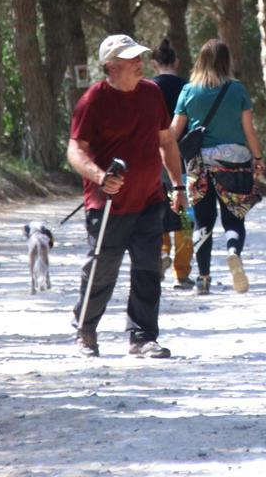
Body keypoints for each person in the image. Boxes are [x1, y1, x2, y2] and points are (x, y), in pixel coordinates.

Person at [66, 33, 187, 358]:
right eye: (130, 58)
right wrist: (99, 177)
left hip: (149, 200)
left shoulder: (151, 94)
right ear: (110, 66)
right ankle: (86, 332)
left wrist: (178, 186)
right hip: (107, 205)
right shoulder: (93, 101)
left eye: (139, 56)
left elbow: (167, 142)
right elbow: (75, 151)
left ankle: (142, 337)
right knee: (103, 269)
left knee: (148, 269)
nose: (139, 62)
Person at [169, 39, 265, 295]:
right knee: (234, 217)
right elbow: (249, 130)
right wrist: (258, 158)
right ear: (227, 61)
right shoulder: (237, 90)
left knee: (203, 222)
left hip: (199, 164)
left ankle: (202, 278)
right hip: (234, 161)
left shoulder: (189, 91)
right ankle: (233, 252)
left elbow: (174, 132)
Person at [151, 40, 195, 290]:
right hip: (184, 158)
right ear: (176, 62)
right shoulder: (187, 88)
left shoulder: (147, 88)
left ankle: (161, 252)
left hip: (154, 158)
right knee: (185, 215)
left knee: (157, 209)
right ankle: (182, 271)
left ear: (154, 64)